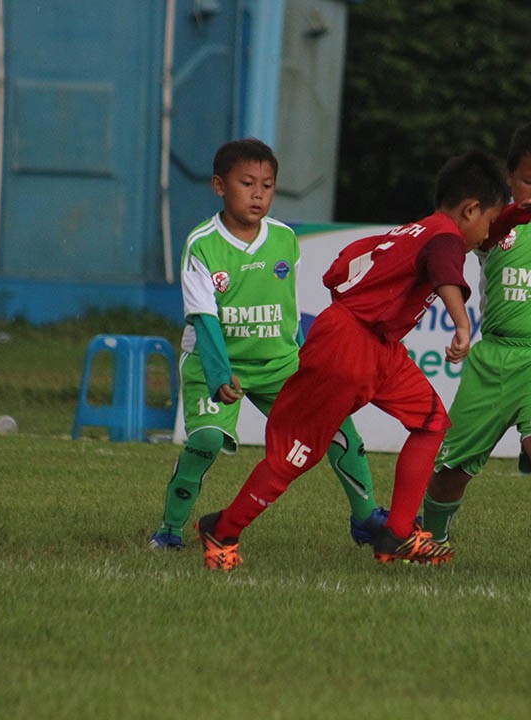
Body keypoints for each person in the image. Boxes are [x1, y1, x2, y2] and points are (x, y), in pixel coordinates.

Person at [195, 149, 510, 570]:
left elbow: (342, 270)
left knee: (431, 422)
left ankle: (397, 535)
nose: (486, 236)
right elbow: (445, 271)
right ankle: (223, 528)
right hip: (347, 345)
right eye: (488, 222)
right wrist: (462, 325)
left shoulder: (415, 230)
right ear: (470, 210)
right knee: (297, 454)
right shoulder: (445, 238)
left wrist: (521, 213)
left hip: (378, 345)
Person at [149, 138, 384, 550]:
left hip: (278, 365)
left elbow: (289, 310)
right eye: (247, 183)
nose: (258, 194)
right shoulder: (202, 244)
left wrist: (311, 361)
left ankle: (367, 519)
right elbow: (203, 318)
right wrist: (221, 373)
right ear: (219, 186)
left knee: (339, 430)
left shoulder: (284, 239)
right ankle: (170, 530)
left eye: (268, 185)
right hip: (214, 365)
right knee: (204, 441)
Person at [421, 120, 531, 545]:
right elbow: (467, 244)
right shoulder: (494, 221)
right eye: (529, 180)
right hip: (494, 357)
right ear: (509, 178)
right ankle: (431, 538)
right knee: (452, 469)